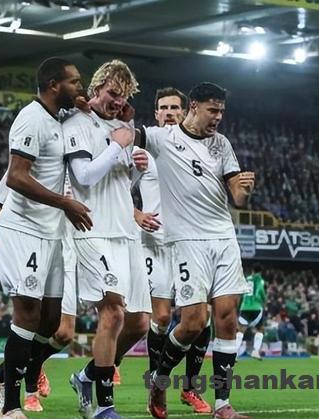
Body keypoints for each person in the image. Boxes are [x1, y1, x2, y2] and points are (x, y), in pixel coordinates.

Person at [122, 82, 255, 419]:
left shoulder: (222, 144)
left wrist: (245, 190)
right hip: (186, 241)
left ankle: (223, 404)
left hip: (223, 237)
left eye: (221, 111)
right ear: (194, 107)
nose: (218, 117)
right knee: (193, 322)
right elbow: (125, 137)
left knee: (227, 318)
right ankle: (159, 381)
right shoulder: (161, 138)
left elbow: (237, 198)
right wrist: (113, 122)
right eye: (213, 110)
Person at [0, 57, 91, 419]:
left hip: (51, 232)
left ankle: (2, 375)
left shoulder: (58, 118)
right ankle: (10, 405)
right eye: (74, 82)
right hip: (23, 229)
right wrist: (64, 202)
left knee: (50, 323)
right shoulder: (31, 118)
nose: (80, 87)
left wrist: (87, 105)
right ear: (52, 84)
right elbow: (16, 176)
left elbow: (83, 105)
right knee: (28, 315)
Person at [65, 59, 151, 419]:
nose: (118, 102)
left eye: (124, 96)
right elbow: (84, 177)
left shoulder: (122, 127)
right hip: (93, 229)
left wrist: (136, 168)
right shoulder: (77, 122)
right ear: (96, 87)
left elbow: (120, 184)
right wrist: (117, 146)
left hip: (126, 231)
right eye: (113, 93)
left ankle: (87, 376)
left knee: (139, 323)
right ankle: (104, 405)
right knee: (113, 312)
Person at [134, 87, 211, 414]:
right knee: (162, 317)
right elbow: (114, 189)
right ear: (156, 114)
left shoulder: (199, 148)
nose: (168, 112)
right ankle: (159, 385)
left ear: (185, 112)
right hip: (154, 243)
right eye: (163, 107)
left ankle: (190, 388)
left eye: (174, 107)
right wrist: (135, 214)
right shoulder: (142, 150)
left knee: (201, 317)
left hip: (189, 244)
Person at [237, 265, 266, 359]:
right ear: (260, 272)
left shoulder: (246, 279)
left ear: (252, 271)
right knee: (260, 329)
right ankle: (255, 351)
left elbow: (241, 293)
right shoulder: (260, 280)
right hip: (256, 307)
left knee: (241, 330)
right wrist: (264, 300)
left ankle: (234, 354)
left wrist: (239, 306)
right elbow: (260, 291)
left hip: (244, 307)